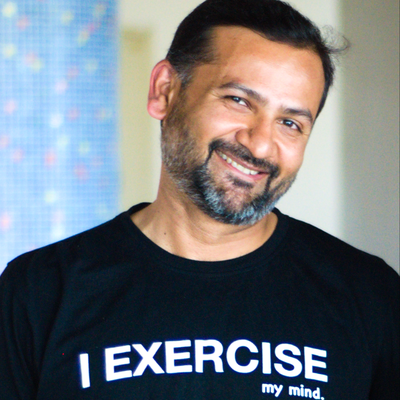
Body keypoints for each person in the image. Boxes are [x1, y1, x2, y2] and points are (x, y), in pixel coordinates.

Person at [0, 0, 398, 398]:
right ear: (165, 91)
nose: (260, 144)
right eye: (238, 100)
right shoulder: (36, 292)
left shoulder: (371, 296)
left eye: (290, 123)